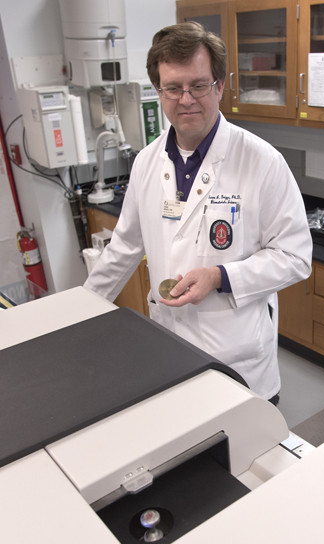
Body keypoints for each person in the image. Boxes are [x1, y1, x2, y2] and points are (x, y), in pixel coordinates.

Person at [84, 21, 312, 402]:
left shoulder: (262, 162)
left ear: (220, 86)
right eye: (173, 87)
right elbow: (123, 248)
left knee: (245, 452)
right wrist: (79, 310)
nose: (185, 98)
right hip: (169, 349)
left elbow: (295, 258)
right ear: (159, 91)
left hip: (238, 360)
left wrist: (220, 276)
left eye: (199, 85)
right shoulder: (146, 162)